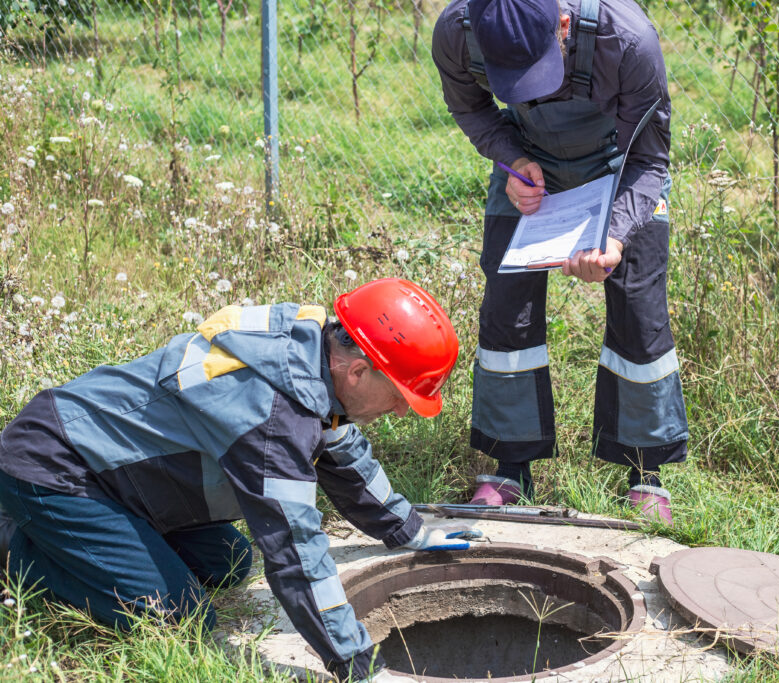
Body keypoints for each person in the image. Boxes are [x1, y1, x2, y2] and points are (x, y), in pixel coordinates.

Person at [0, 278, 476, 681]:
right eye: (398, 396)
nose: (398, 410)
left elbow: (342, 451)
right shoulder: (273, 418)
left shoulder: (311, 354)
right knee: (181, 618)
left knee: (231, 560)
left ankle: (105, 541)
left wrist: (409, 530)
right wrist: (356, 663)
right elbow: (296, 550)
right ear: (356, 372)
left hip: (123, 475)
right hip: (57, 466)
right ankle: (11, 545)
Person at [432, 0, 687, 522]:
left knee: (640, 307)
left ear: (564, 26)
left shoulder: (628, 40)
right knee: (507, 307)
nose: (535, 90)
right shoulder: (456, 32)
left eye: (539, 71)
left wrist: (614, 236)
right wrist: (514, 160)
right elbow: (472, 111)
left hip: (622, 163)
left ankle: (645, 471)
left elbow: (650, 159)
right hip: (531, 159)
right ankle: (510, 462)